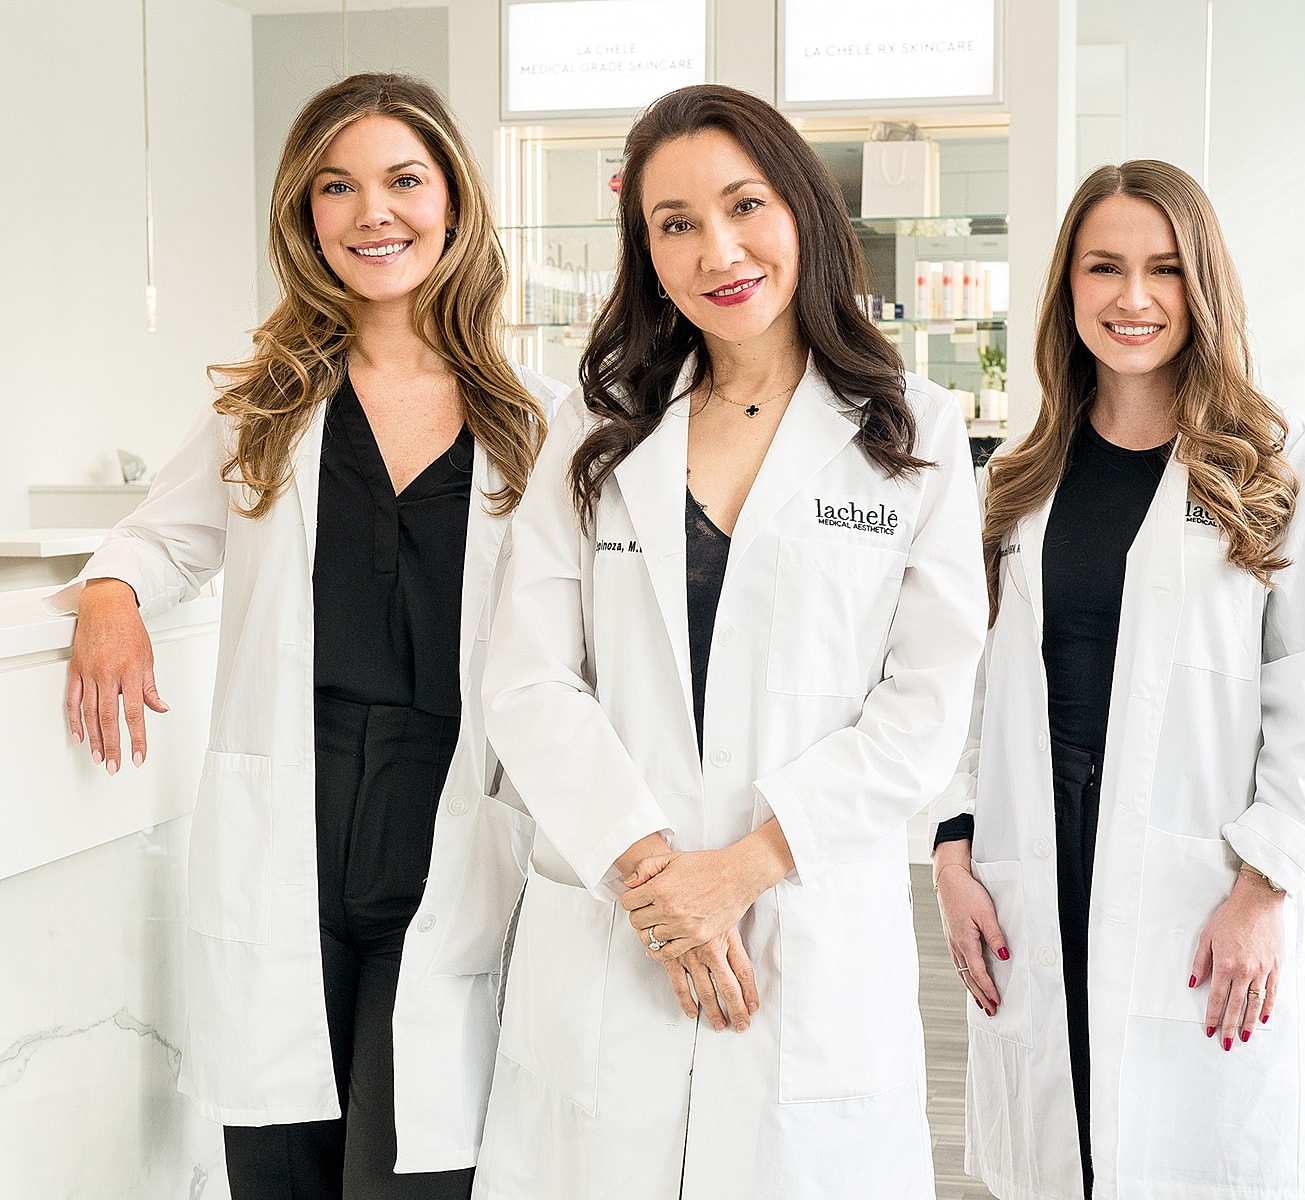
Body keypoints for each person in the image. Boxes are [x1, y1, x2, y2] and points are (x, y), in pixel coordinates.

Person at [467, 84, 987, 1199]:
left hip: (801, 920)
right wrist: (661, 881)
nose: (719, 250)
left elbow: (927, 705)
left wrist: (743, 870)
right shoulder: (598, 427)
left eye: (745, 205)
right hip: (622, 924)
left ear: (800, 209)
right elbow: (527, 675)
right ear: (644, 251)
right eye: (675, 223)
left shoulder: (915, 432)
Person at [53, 73, 564, 1199]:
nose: (372, 212)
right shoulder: (269, 403)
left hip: (449, 818)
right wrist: (108, 597)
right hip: (295, 809)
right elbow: (156, 538)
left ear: (455, 202)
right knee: (280, 1161)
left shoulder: (535, 419)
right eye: (338, 187)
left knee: (419, 1159)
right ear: (305, 216)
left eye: (403, 180)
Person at [931, 160, 1305, 1200]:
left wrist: (1263, 885)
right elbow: (965, 691)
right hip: (1035, 868)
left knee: (1182, 1153)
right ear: (1066, 287)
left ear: (1200, 285)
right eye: (1103, 267)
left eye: (1163, 269)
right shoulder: (1014, 479)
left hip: (1193, 881)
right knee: (1060, 1147)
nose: (1132, 298)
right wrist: (950, 850)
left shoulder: (1272, 462)